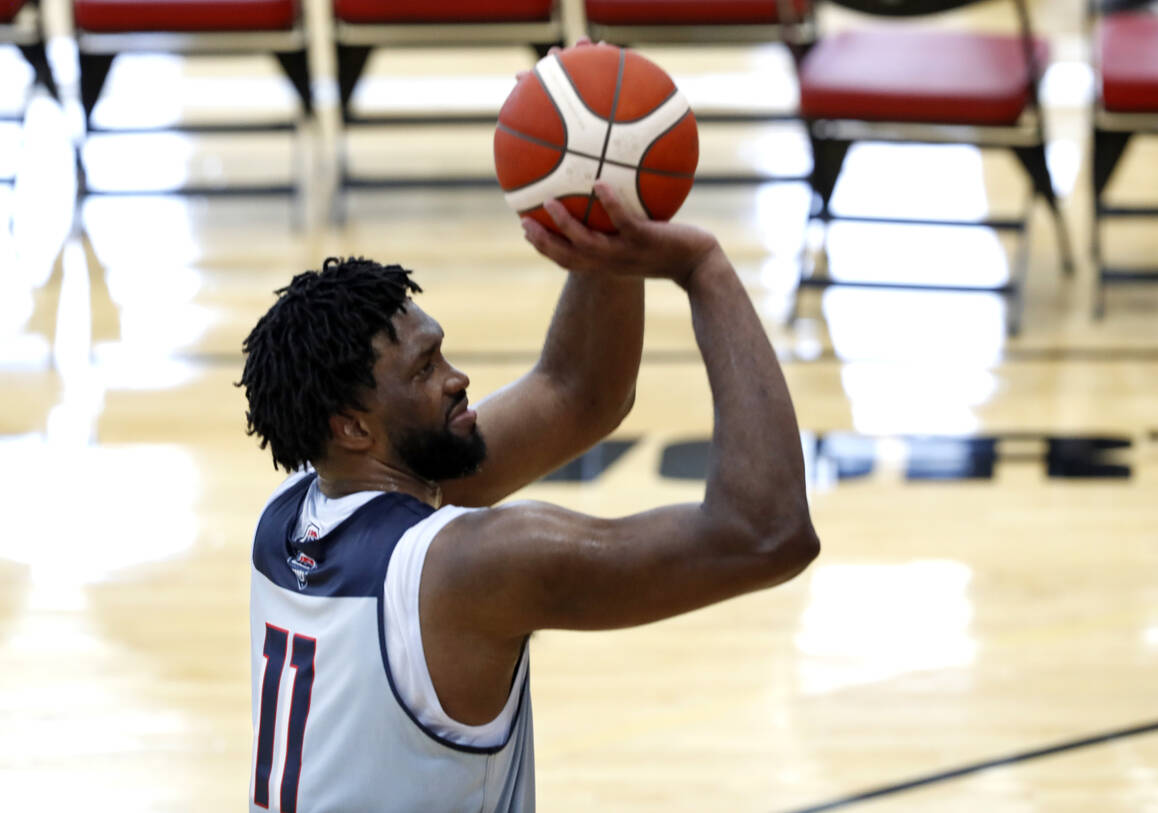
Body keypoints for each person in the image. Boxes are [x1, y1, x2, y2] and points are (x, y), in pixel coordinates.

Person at [238, 182, 820, 812]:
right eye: (425, 369)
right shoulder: (466, 569)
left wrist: (604, 224)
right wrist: (702, 267)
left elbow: (576, 394)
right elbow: (766, 534)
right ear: (352, 427)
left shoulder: (292, 512)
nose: (457, 379)